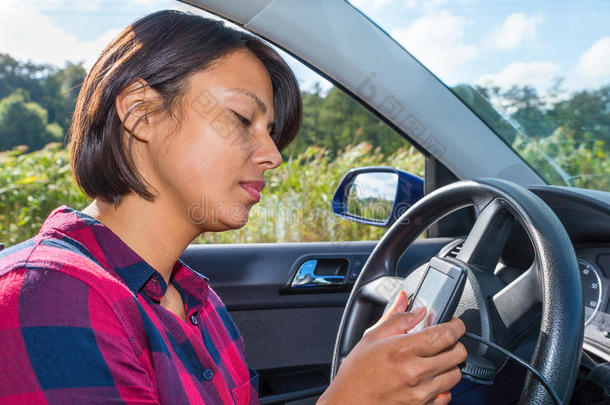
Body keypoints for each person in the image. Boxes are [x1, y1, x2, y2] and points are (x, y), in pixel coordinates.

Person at [0, 10, 466, 405]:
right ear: (142, 114)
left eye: (271, 131)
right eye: (242, 118)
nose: (273, 155)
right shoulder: (50, 295)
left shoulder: (197, 300)